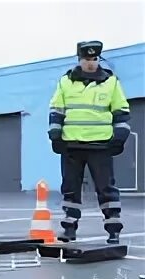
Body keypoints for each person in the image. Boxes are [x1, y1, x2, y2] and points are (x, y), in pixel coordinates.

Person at [48, 40, 131, 244]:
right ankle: (69, 228)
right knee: (70, 188)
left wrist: (119, 137)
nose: (91, 63)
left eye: (94, 59)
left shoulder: (111, 82)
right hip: (71, 145)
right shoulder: (65, 81)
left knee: (106, 188)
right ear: (79, 59)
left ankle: (113, 229)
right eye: (87, 59)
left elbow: (121, 111)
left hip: (100, 145)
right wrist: (55, 135)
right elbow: (56, 109)